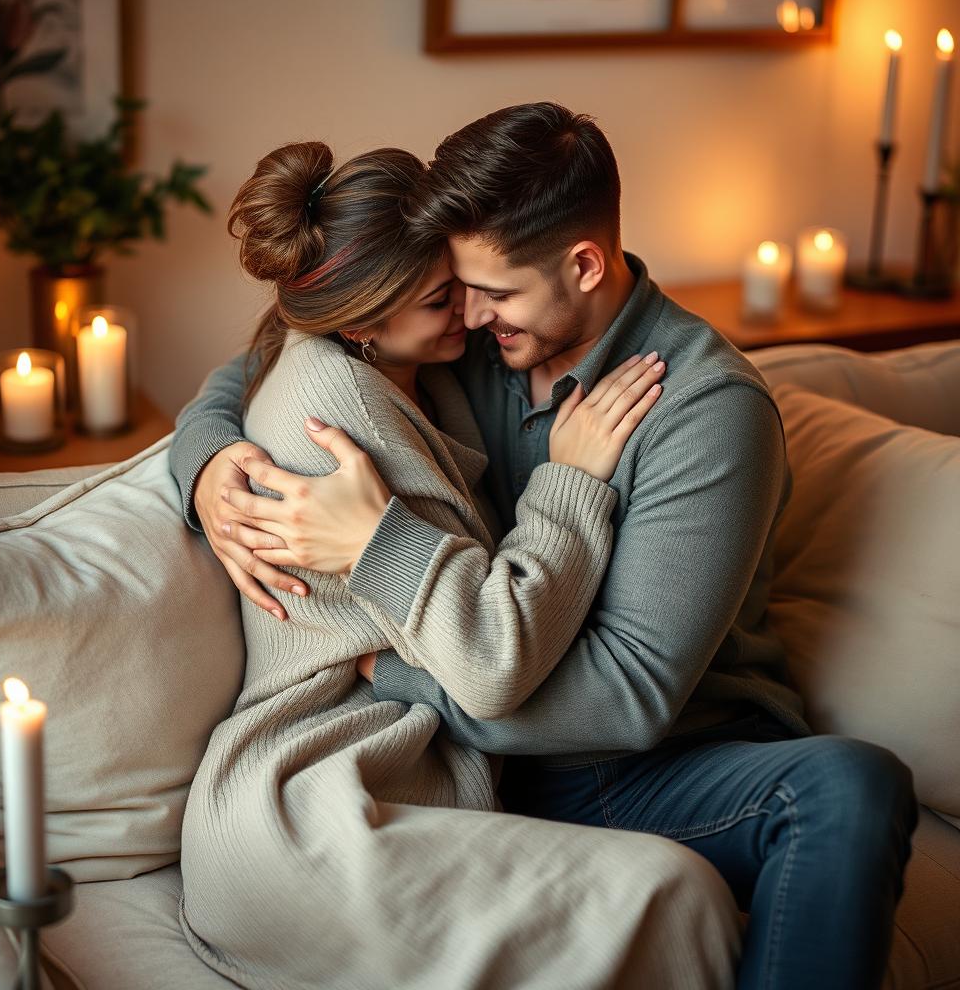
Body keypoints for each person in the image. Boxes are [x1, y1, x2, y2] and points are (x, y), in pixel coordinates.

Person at [173, 103, 919, 989]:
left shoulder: (704, 411)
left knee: (850, 787)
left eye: (491, 291)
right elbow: (293, 342)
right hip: (494, 752)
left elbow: (628, 699)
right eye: (453, 288)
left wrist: (403, 675)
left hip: (651, 755)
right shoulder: (469, 342)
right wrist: (212, 459)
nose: (473, 315)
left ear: (584, 264)